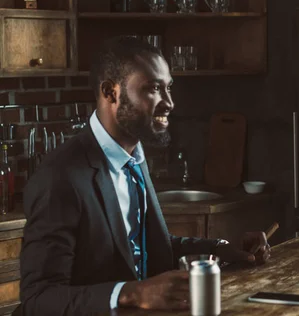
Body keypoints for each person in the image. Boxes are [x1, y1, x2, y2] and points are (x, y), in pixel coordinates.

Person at [19, 36, 271, 315]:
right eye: (153, 89)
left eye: (168, 88)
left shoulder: (134, 158)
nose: (169, 103)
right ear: (110, 92)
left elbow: (148, 247)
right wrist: (132, 293)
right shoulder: (61, 177)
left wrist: (224, 249)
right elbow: (39, 299)